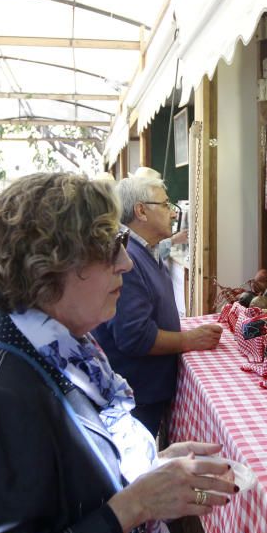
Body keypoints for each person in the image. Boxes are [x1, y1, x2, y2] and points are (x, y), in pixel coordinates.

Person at [0, 172, 236, 533]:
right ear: (48, 268)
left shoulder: (63, 353)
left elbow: (66, 488)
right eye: (107, 248)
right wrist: (133, 505)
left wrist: (145, 471)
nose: (125, 265)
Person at [92, 173, 222, 436]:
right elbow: (135, 337)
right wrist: (189, 340)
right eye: (165, 205)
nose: (173, 214)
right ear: (141, 211)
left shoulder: (143, 250)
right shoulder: (126, 257)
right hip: (135, 397)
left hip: (144, 392)